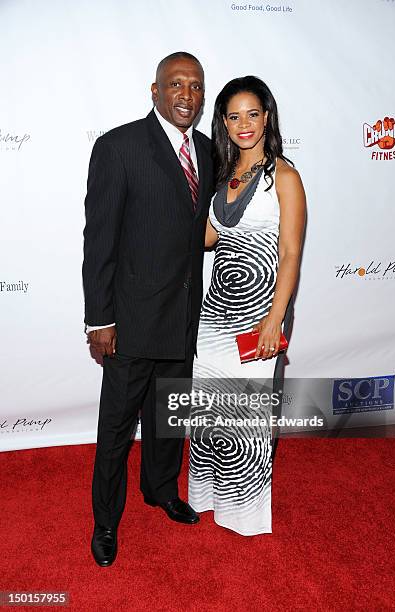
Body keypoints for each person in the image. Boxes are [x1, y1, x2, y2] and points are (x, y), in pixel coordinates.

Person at [82, 52, 213, 566]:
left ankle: (160, 489)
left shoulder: (207, 149)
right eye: (176, 84)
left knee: (168, 417)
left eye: (196, 86)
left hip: (183, 318)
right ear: (154, 90)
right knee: (116, 428)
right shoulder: (118, 147)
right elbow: (100, 241)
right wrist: (100, 318)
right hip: (130, 322)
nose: (187, 94)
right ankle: (105, 521)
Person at [188, 76, 306, 536]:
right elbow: (211, 238)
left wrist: (275, 321)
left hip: (258, 317)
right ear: (223, 122)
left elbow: (291, 253)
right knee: (211, 412)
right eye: (233, 116)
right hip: (214, 317)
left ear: (267, 117)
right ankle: (210, 499)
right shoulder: (223, 179)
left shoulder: (286, 177)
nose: (243, 124)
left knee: (247, 419)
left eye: (252, 114)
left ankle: (243, 513)